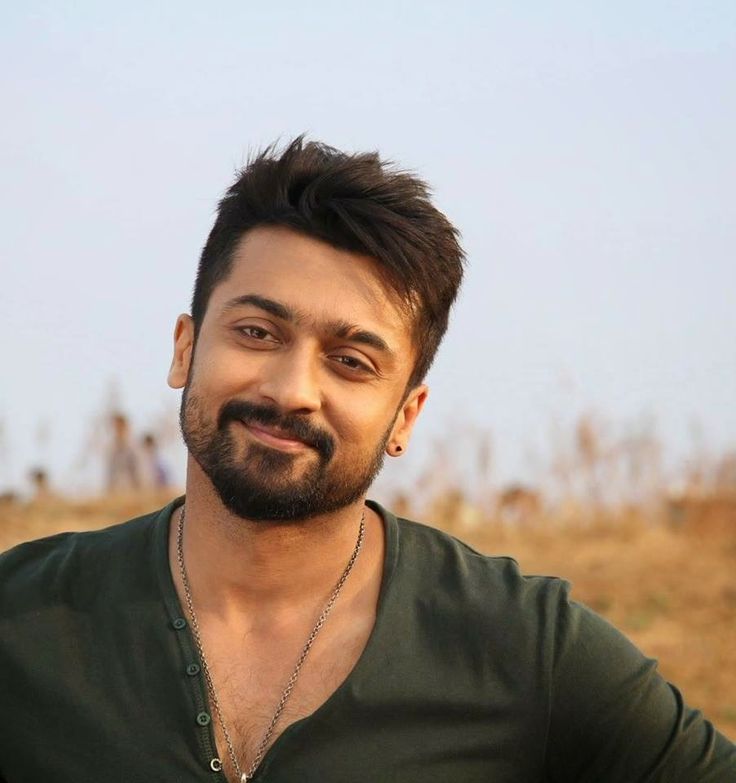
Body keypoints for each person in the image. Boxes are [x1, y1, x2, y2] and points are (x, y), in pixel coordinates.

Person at [0, 138, 733, 782]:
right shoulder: (21, 623)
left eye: (350, 361)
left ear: (405, 415)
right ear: (185, 347)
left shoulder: (524, 648)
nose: (291, 390)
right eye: (256, 331)